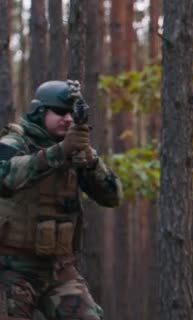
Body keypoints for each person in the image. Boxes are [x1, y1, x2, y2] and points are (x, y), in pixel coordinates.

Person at [0, 80, 123, 319]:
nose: (67, 119)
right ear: (39, 111)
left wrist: (91, 163)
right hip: (11, 268)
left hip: (59, 269)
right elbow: (4, 177)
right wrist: (59, 153)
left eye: (71, 114)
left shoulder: (75, 150)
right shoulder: (15, 143)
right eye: (59, 112)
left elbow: (112, 196)